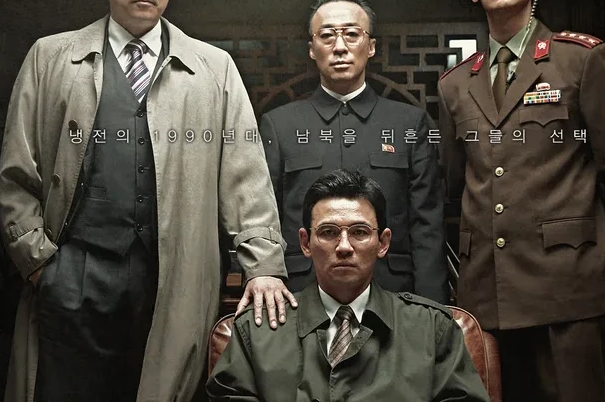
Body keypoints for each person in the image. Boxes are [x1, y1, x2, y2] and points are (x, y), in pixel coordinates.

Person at [0, 0, 297, 402]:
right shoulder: (51, 58)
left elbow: (246, 176)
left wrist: (263, 265)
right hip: (71, 276)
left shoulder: (214, 68)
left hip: (172, 278)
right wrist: (40, 265)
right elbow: (15, 175)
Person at [437, 0, 605, 402]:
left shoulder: (580, 60)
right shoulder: (455, 83)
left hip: (566, 287)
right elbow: (454, 180)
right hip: (486, 291)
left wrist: (584, 237)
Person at [206, 169, 490, 401]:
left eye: (359, 232)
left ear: (383, 243)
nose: (344, 246)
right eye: (328, 232)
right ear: (305, 243)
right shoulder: (257, 331)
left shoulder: (431, 329)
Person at [259, 0, 448, 303]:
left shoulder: (409, 123)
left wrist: (432, 307)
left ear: (371, 46)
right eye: (327, 36)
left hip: (393, 291)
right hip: (301, 292)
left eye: (351, 34)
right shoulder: (280, 125)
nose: (339, 47)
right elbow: (265, 217)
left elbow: (427, 224)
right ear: (311, 49)